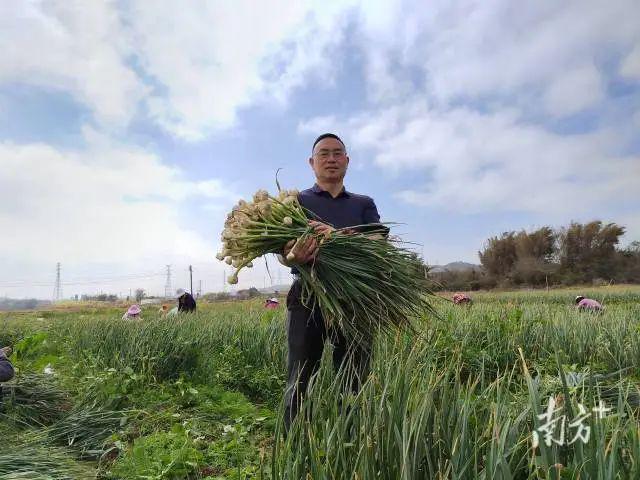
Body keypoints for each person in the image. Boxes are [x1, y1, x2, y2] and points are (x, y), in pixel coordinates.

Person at [280, 133, 386, 431]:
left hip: (356, 300)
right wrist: (293, 256)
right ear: (311, 162)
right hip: (307, 298)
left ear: (347, 161)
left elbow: (378, 243)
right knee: (299, 380)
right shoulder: (296, 202)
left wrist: (334, 236)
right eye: (324, 153)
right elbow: (283, 252)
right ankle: (296, 449)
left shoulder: (364, 203)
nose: (331, 159)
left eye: (337, 153)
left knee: (354, 380)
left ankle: (350, 445)